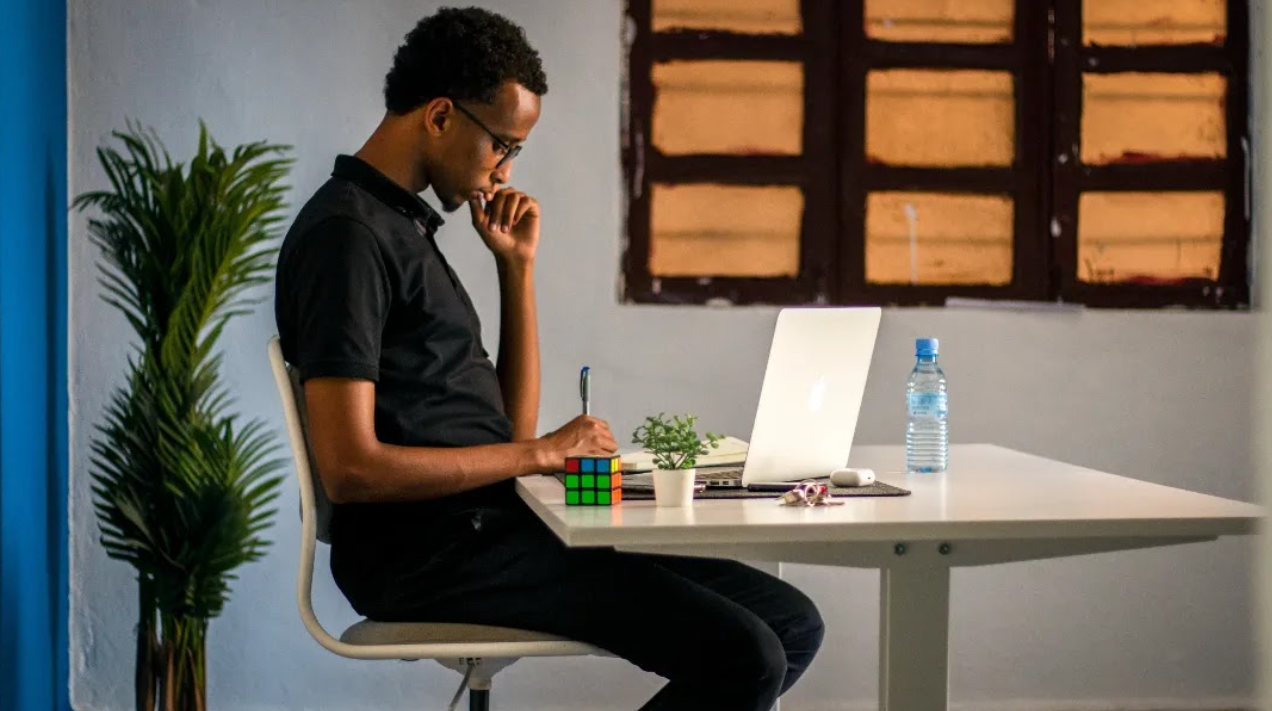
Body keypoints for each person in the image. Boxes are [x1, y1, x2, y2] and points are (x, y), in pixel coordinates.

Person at [274, 7, 824, 709]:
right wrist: (541, 455)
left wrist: (517, 269)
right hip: (429, 555)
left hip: (490, 529)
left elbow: (505, 431)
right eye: (502, 144)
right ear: (440, 116)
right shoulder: (349, 235)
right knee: (746, 654)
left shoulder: (403, 226)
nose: (503, 169)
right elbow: (350, 468)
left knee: (791, 622)